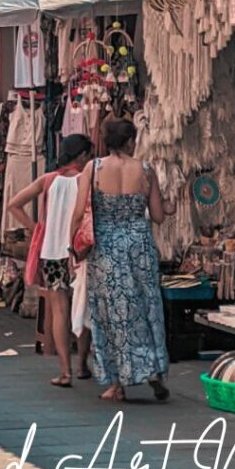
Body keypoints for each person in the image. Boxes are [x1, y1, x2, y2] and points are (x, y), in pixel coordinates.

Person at [70, 119, 175, 402]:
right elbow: (157, 215)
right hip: (139, 245)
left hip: (106, 247)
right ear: (130, 141)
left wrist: (73, 247)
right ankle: (153, 371)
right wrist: (169, 206)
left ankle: (117, 382)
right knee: (146, 307)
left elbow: (80, 212)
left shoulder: (93, 169)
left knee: (111, 313)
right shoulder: (145, 170)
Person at [7, 134, 93, 387]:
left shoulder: (48, 180)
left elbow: (14, 204)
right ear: (81, 156)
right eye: (88, 154)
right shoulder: (86, 181)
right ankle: (82, 365)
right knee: (83, 306)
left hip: (51, 252)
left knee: (59, 311)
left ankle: (65, 371)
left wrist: (36, 229)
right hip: (78, 253)